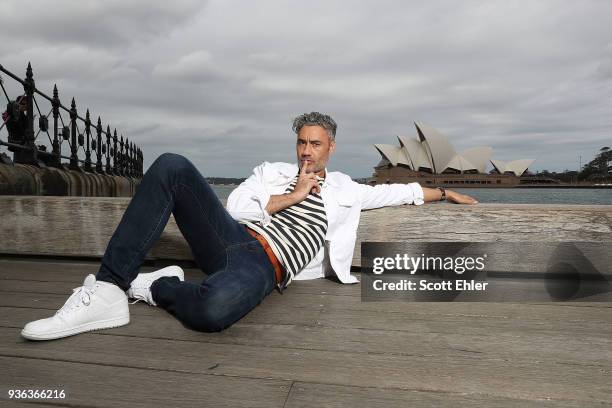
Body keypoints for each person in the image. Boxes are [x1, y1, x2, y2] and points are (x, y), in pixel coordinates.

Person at [21, 112, 478, 340]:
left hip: (268, 268)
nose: (306, 152)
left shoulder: (346, 188)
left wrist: (445, 192)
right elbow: (238, 205)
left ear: (330, 148)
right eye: (301, 143)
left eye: (315, 145)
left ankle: (155, 287)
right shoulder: (271, 173)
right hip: (235, 240)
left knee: (212, 313)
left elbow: (401, 192)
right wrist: (292, 195)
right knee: (172, 165)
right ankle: (106, 290)